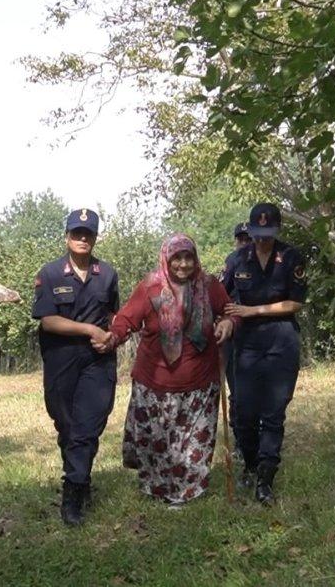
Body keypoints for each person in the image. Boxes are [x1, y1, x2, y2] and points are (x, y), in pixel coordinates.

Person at [110, 234, 236, 506]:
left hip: (200, 382)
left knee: (193, 445)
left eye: (188, 257)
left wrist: (228, 322)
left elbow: (229, 310)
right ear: (166, 259)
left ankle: (186, 492)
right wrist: (112, 337)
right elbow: (126, 320)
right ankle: (157, 489)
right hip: (154, 382)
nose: (183, 264)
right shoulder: (150, 287)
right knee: (157, 441)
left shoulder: (210, 285)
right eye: (176, 258)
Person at [32, 208, 120, 526]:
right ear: (67, 236)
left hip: (98, 362)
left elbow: (113, 316)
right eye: (76, 233)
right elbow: (48, 319)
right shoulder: (50, 273)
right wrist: (89, 330)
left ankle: (73, 495)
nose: (82, 239)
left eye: (88, 234)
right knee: (67, 426)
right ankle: (80, 478)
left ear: (95, 237)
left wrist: (111, 337)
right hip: (61, 360)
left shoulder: (107, 274)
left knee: (87, 426)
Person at [222, 203, 307, 504]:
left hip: (281, 339)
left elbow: (295, 303)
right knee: (244, 413)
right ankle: (250, 463)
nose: (261, 240)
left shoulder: (292, 257)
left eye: (267, 234)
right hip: (245, 343)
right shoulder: (236, 260)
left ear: (277, 230)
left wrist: (253, 310)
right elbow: (222, 297)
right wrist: (224, 321)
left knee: (273, 411)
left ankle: (266, 477)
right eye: (257, 234)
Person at [220, 222, 251, 446]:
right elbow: (221, 293)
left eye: (248, 239)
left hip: (260, 332)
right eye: (241, 239)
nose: (244, 243)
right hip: (235, 332)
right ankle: (241, 441)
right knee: (238, 390)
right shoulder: (232, 261)